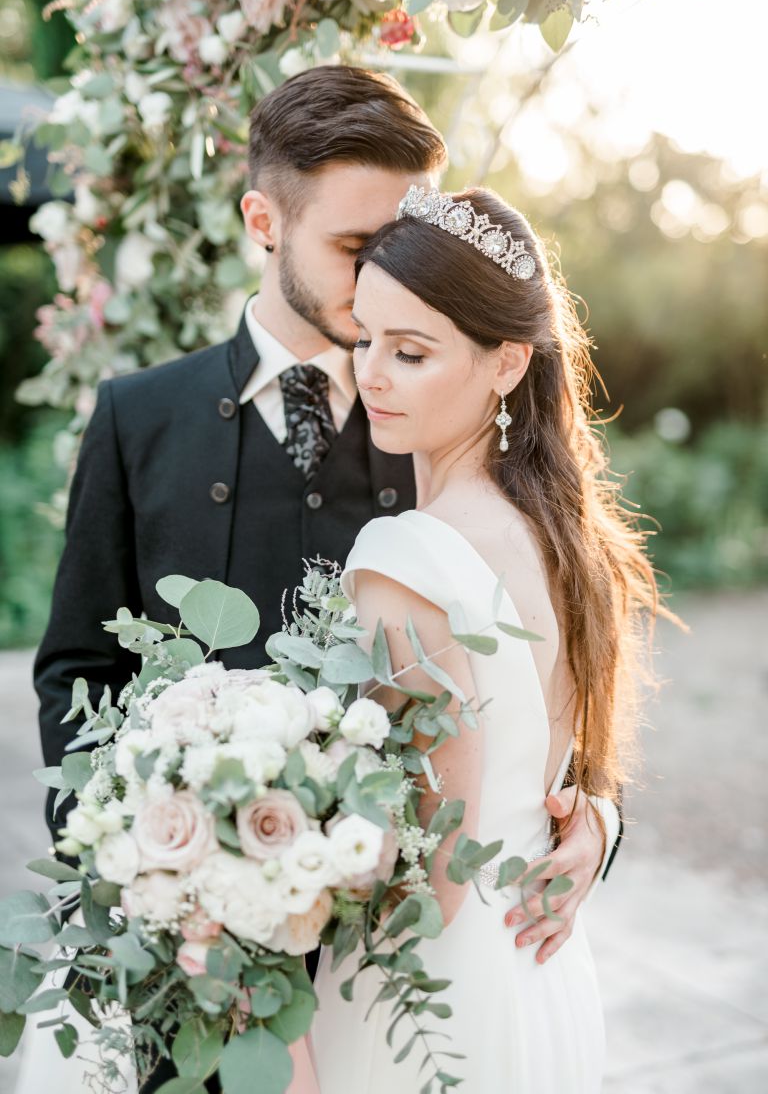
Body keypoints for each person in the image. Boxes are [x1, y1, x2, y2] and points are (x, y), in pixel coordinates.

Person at [32, 69, 616, 1093]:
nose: (393, 280)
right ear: (265, 219)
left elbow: (534, 676)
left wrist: (597, 820)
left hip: (385, 990)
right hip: (192, 965)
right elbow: (75, 670)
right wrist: (159, 876)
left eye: (406, 242)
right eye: (359, 250)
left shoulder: (443, 429)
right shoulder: (140, 418)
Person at [308, 185, 658, 1093]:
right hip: (537, 971)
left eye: (412, 351)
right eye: (367, 338)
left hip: (425, 1005)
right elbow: (555, 779)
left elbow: (432, 873)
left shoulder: (405, 555)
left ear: (506, 364)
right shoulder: (567, 535)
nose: (372, 373)